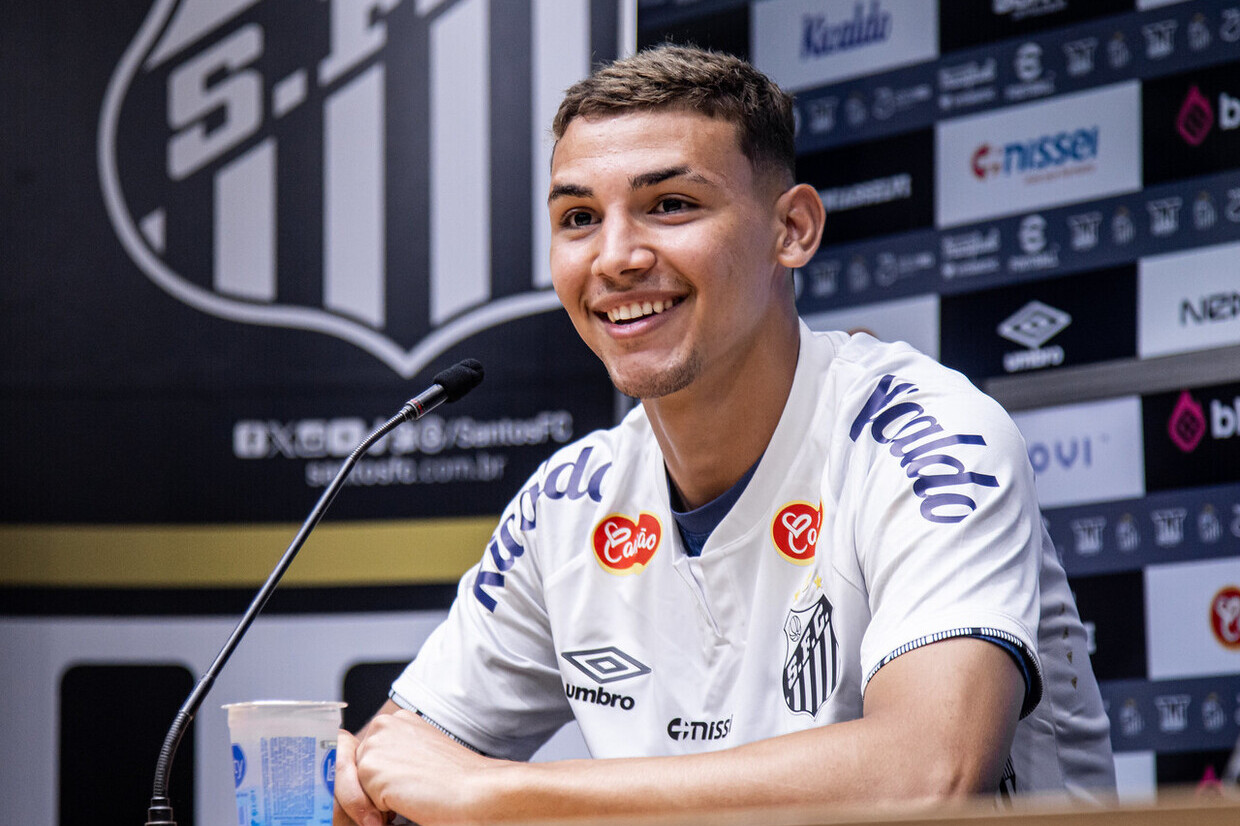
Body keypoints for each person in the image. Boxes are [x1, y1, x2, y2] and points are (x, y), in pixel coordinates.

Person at [334, 44, 1115, 825]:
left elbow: (929, 768)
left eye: (671, 205)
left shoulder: (926, 434)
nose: (615, 257)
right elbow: (402, 760)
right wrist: (356, 774)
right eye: (578, 218)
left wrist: (497, 793)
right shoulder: (566, 505)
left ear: (793, 229)